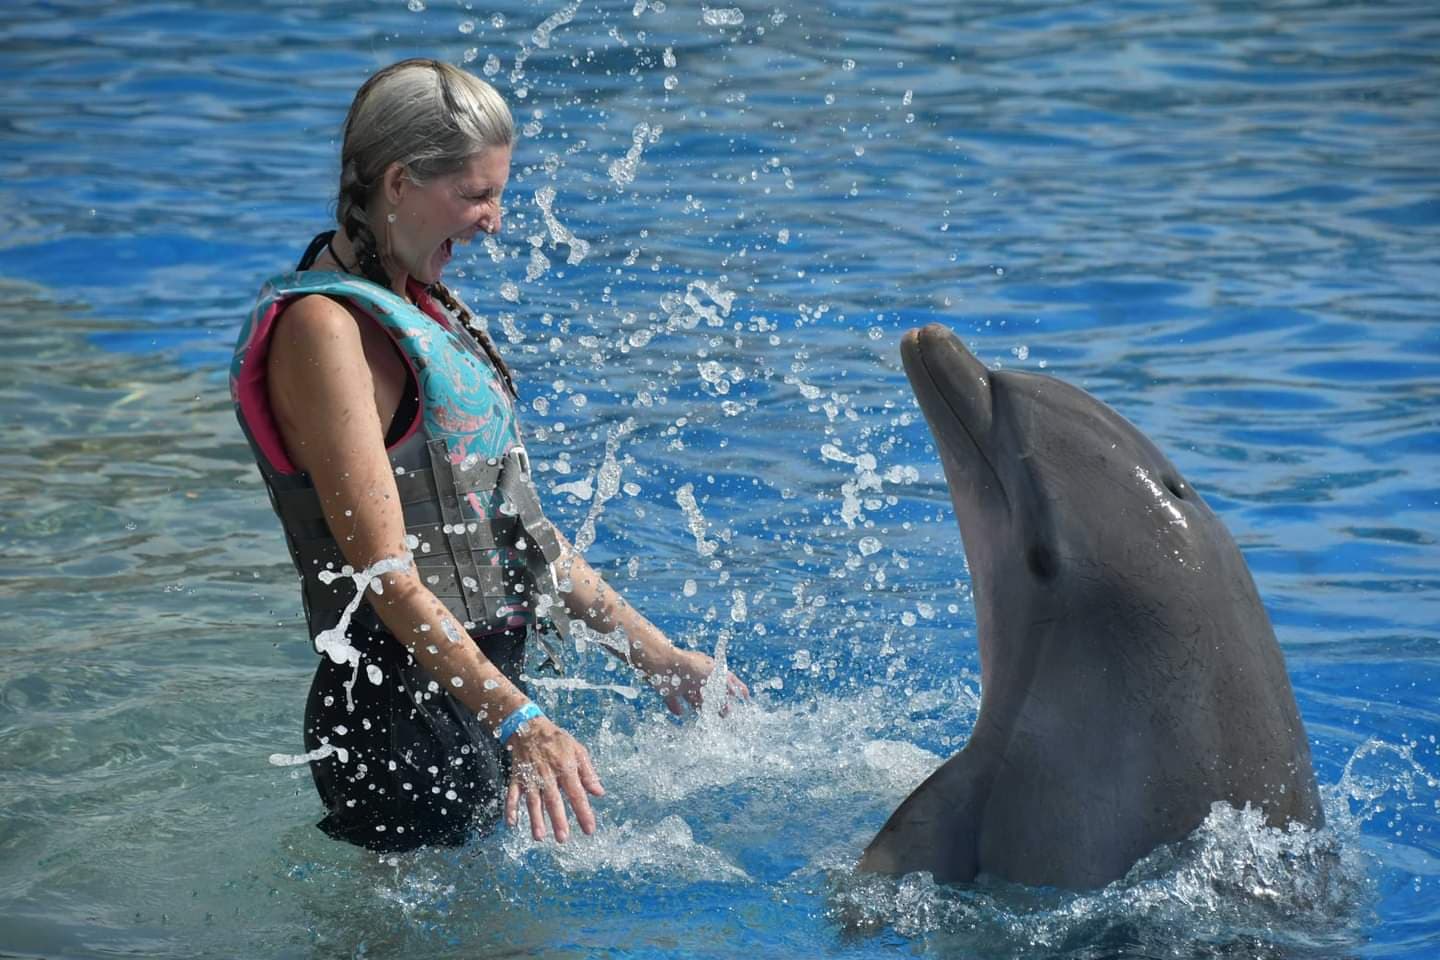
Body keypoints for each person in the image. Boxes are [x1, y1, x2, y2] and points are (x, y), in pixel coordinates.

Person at [231, 58, 747, 853]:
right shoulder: (324, 331)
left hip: (474, 704)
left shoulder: (419, 307)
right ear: (398, 183)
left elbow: (517, 533)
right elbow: (383, 573)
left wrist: (662, 659)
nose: (495, 220)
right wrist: (519, 721)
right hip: (399, 722)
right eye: (476, 195)